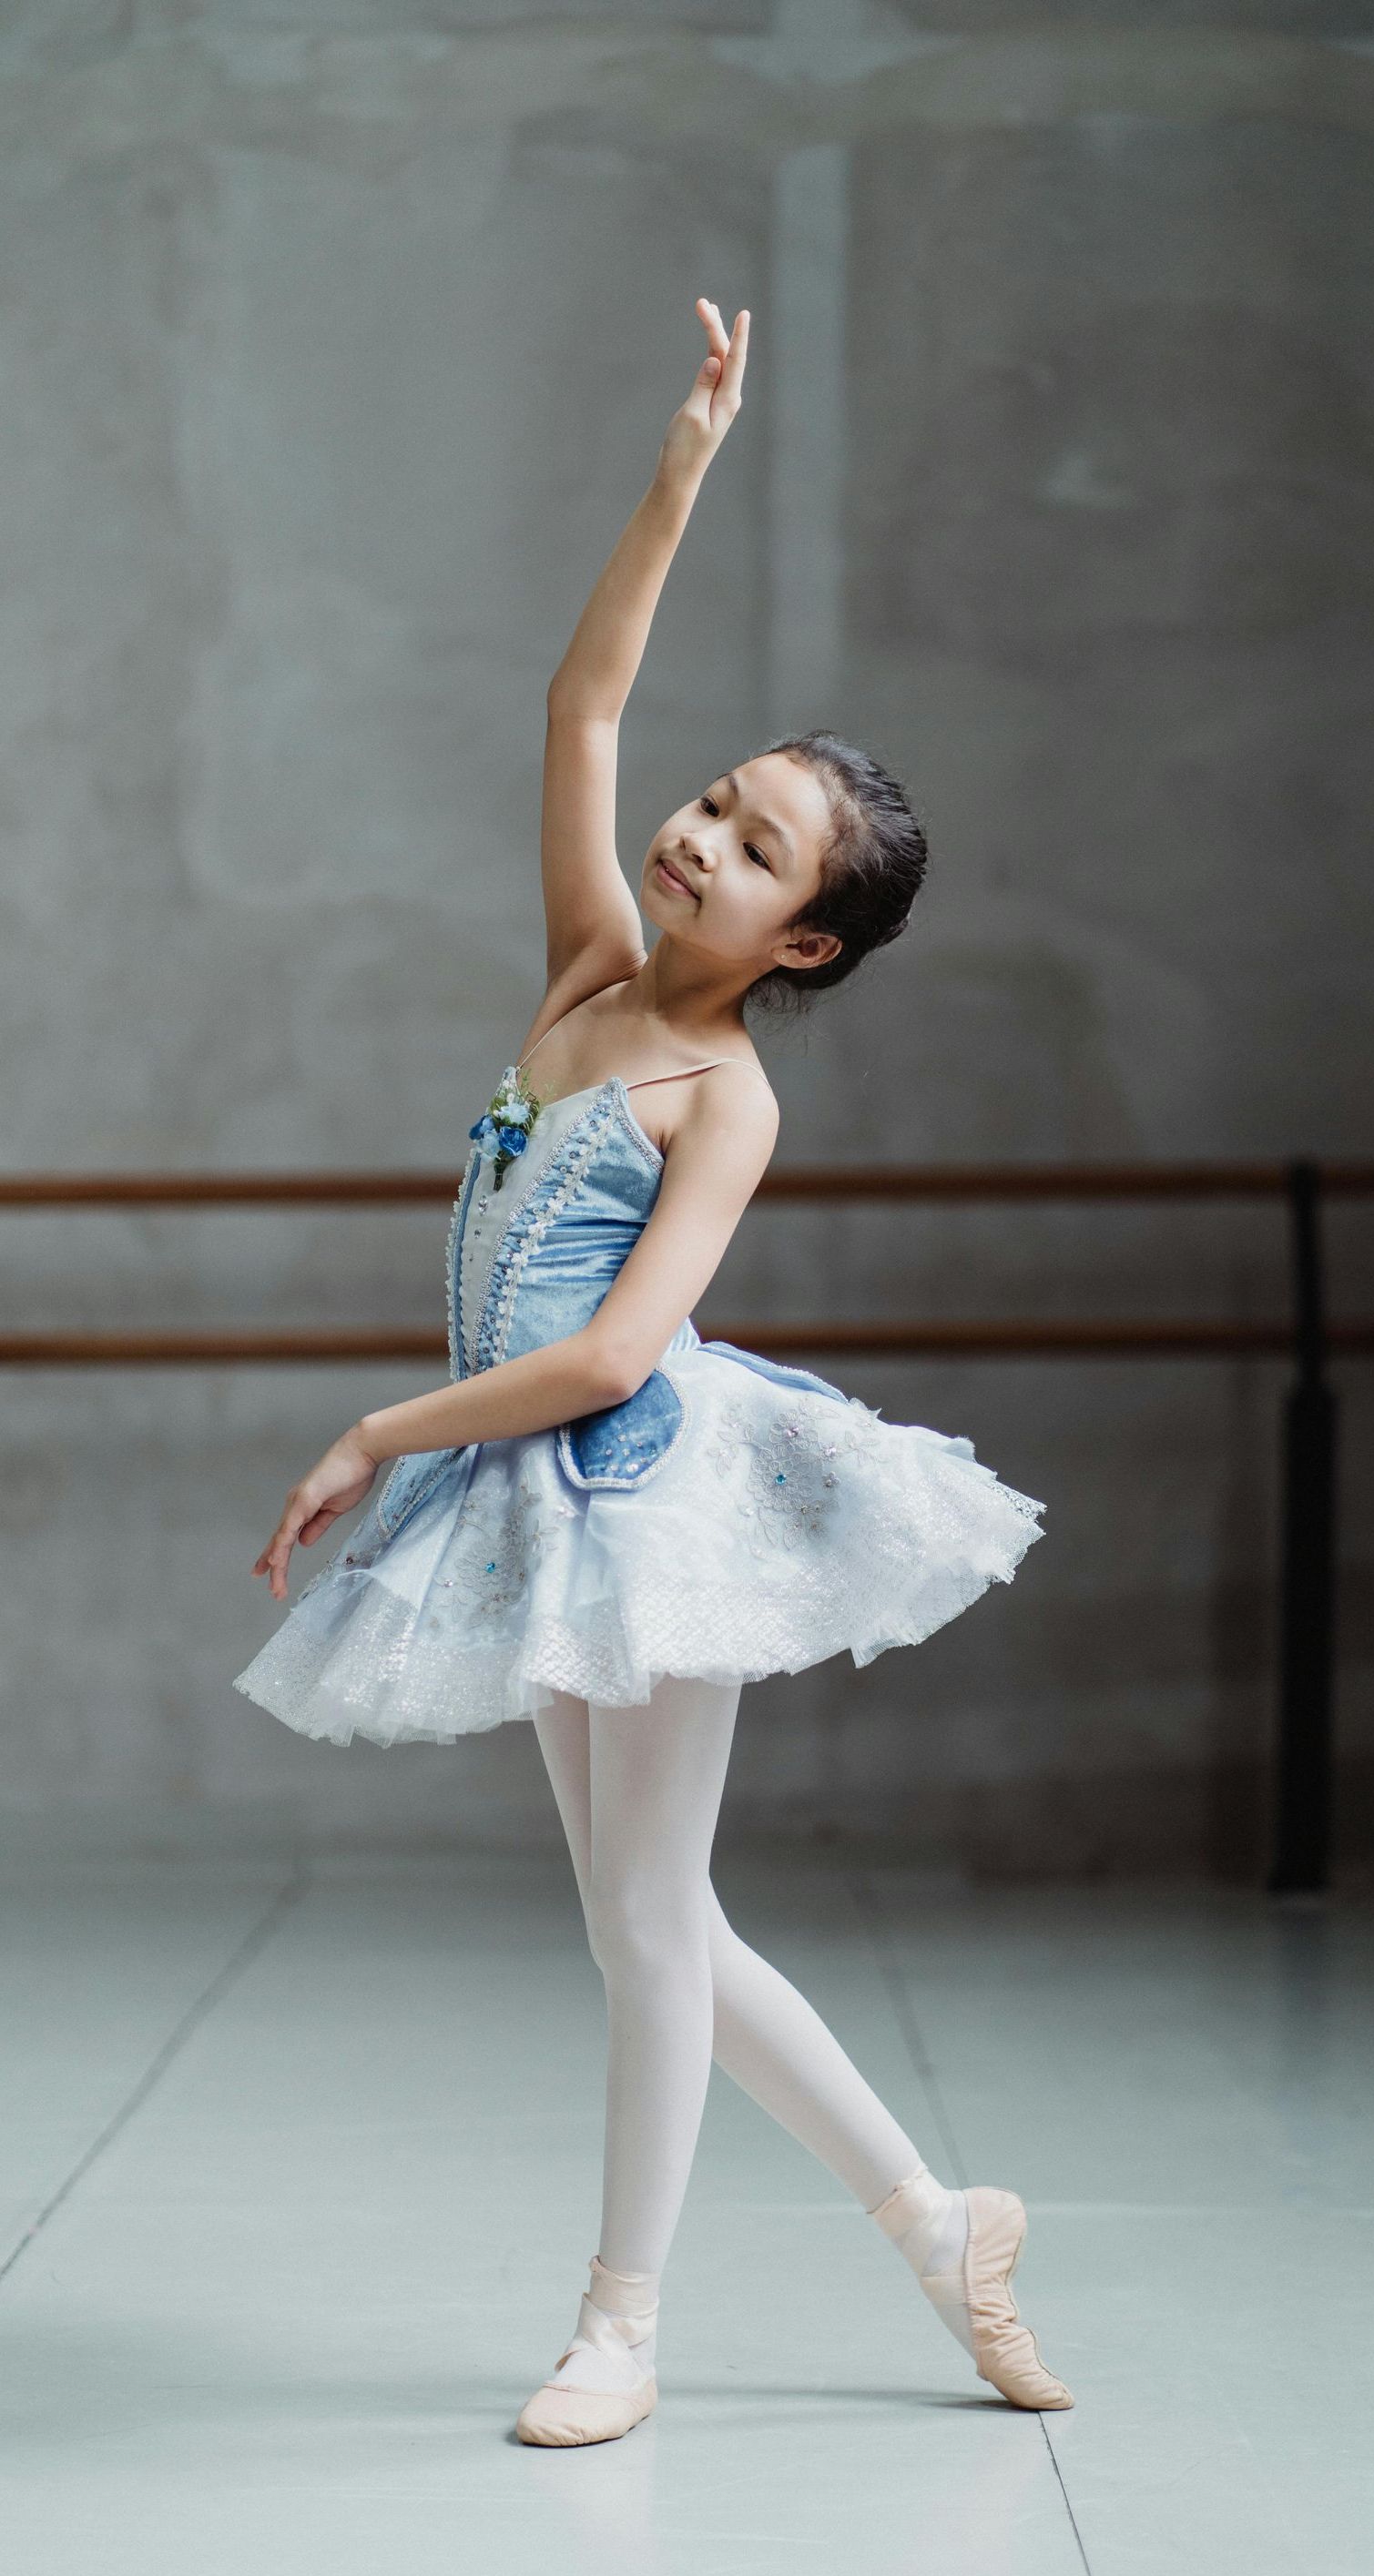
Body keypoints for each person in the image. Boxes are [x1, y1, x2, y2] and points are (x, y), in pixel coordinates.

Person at [233, 297, 1072, 2445]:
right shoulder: (591, 965)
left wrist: (374, 1430)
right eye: (714, 803)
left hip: (649, 1488)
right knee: (649, 1922)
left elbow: (616, 1348)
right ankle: (929, 2217)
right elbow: (578, 699)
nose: (697, 836)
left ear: (801, 943)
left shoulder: (721, 1095)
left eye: (755, 849)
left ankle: (621, 2324)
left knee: (641, 1919)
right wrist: (684, 462)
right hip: (531, 1493)